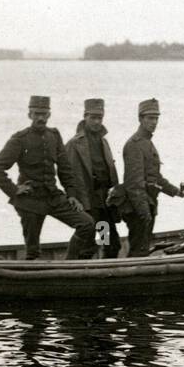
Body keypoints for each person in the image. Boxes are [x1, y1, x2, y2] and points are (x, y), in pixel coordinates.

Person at [0, 95, 96, 260]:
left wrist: (72, 195)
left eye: (44, 114)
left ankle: (69, 265)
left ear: (49, 115)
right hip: (30, 201)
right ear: (29, 114)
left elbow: (65, 169)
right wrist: (14, 190)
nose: (41, 118)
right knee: (33, 252)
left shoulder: (54, 135)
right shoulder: (20, 139)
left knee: (87, 224)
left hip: (53, 197)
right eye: (37, 113)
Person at [121, 98, 184, 257]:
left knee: (142, 247)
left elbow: (155, 177)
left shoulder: (147, 142)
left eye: (156, 118)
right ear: (140, 119)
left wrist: (175, 191)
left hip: (148, 202)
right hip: (139, 206)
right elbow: (134, 184)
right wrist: (144, 212)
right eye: (150, 118)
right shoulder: (135, 144)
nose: (154, 122)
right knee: (138, 249)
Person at [66, 97, 122, 258]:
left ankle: (104, 275)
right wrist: (75, 199)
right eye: (93, 117)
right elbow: (67, 175)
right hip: (88, 204)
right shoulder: (74, 144)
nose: (97, 122)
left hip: (104, 203)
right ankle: (72, 269)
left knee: (109, 243)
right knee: (88, 245)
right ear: (85, 116)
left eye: (100, 118)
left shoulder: (104, 142)